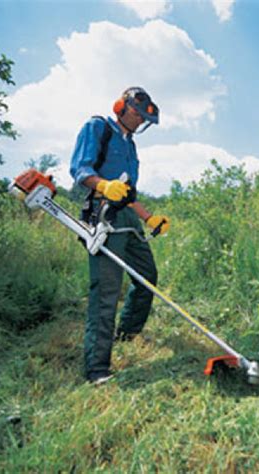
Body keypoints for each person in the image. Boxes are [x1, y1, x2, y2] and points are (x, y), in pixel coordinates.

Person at [70, 87, 170, 385]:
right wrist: (104, 186)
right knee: (107, 291)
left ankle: (127, 332)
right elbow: (80, 170)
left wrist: (149, 217)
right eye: (136, 115)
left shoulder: (131, 146)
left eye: (144, 120)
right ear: (121, 107)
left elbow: (128, 194)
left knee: (146, 276)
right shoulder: (97, 128)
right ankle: (97, 368)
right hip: (103, 213)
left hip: (127, 216)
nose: (139, 122)